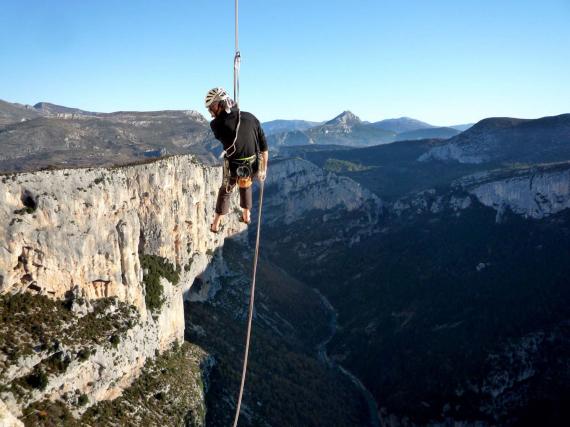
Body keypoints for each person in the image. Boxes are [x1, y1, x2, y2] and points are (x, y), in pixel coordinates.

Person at [205, 87, 269, 233]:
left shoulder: (216, 125)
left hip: (234, 166)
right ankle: (246, 215)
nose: (210, 111)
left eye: (212, 107)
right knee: (245, 183)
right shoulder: (252, 118)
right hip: (252, 166)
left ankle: (215, 224)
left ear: (221, 104)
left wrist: (232, 113)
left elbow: (227, 127)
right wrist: (263, 169)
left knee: (226, 190)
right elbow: (264, 148)